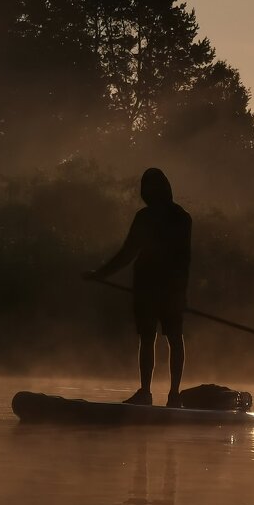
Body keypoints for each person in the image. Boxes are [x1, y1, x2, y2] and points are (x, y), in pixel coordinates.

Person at [85, 168, 191, 407]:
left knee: (172, 338)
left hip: (167, 289)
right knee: (148, 338)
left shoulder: (179, 218)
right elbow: (128, 253)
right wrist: (100, 274)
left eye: (153, 187)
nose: (149, 192)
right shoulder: (146, 217)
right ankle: (146, 393)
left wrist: (181, 294)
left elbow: (183, 259)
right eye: (147, 187)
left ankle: (174, 396)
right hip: (147, 287)